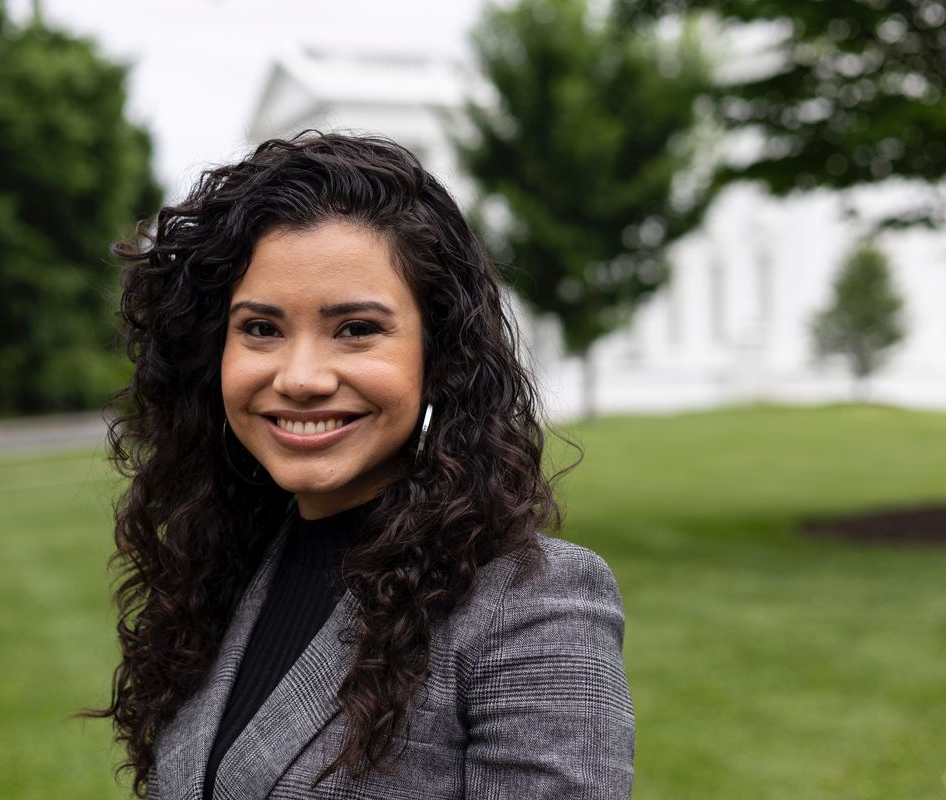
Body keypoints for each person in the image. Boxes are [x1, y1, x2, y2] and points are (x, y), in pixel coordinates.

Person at [91, 132, 634, 799]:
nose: (302, 378)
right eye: (261, 328)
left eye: (355, 329)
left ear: (439, 359)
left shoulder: (533, 603)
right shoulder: (222, 573)